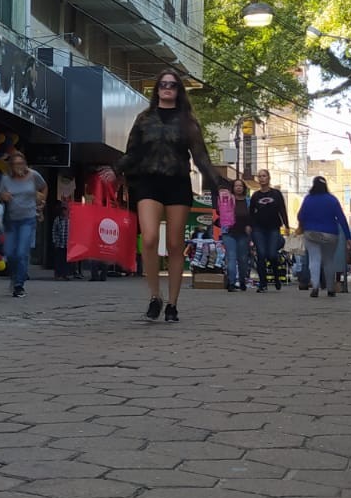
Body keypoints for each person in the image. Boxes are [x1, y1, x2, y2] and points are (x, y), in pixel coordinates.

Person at [116, 68, 225, 322]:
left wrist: (219, 183)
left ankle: (172, 304)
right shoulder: (144, 118)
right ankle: (155, 297)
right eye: (163, 84)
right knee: (151, 238)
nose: (167, 88)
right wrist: (115, 169)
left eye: (172, 85)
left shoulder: (188, 121)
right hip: (149, 183)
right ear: (157, 89)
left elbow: (200, 158)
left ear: (178, 90)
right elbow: (133, 152)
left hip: (177, 183)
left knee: (176, 244)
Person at [0, 152, 46, 298]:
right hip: (11, 220)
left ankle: (19, 285)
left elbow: (44, 187)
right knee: (10, 253)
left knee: (21, 252)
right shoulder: (6, 179)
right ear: (11, 166)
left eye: (21, 163)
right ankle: (14, 276)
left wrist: (41, 201)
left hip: (28, 218)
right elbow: (0, 195)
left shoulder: (33, 176)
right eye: (15, 164)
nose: (19, 167)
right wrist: (4, 197)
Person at [297, 176, 351, 298]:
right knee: (328, 260)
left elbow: (300, 216)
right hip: (330, 234)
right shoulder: (332, 200)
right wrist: (348, 237)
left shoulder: (308, 199)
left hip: (311, 233)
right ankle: (331, 288)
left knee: (314, 259)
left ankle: (315, 286)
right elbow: (341, 219)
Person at [248, 169, 290, 292]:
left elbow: (282, 210)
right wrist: (250, 226)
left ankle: (276, 277)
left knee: (272, 255)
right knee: (261, 255)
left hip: (273, 228)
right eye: (260, 176)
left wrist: (286, 226)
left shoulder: (276, 194)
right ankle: (263, 283)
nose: (262, 178)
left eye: (264, 176)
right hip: (258, 229)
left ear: (269, 178)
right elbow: (251, 213)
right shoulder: (255, 196)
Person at [220, 177, 253, 292]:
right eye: (236, 186)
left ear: (244, 188)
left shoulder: (248, 201)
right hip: (229, 232)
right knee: (231, 257)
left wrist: (250, 226)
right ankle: (231, 282)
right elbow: (220, 212)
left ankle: (243, 280)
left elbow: (252, 216)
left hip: (243, 234)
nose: (238, 188)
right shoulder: (227, 199)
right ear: (232, 188)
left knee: (243, 259)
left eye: (240, 186)